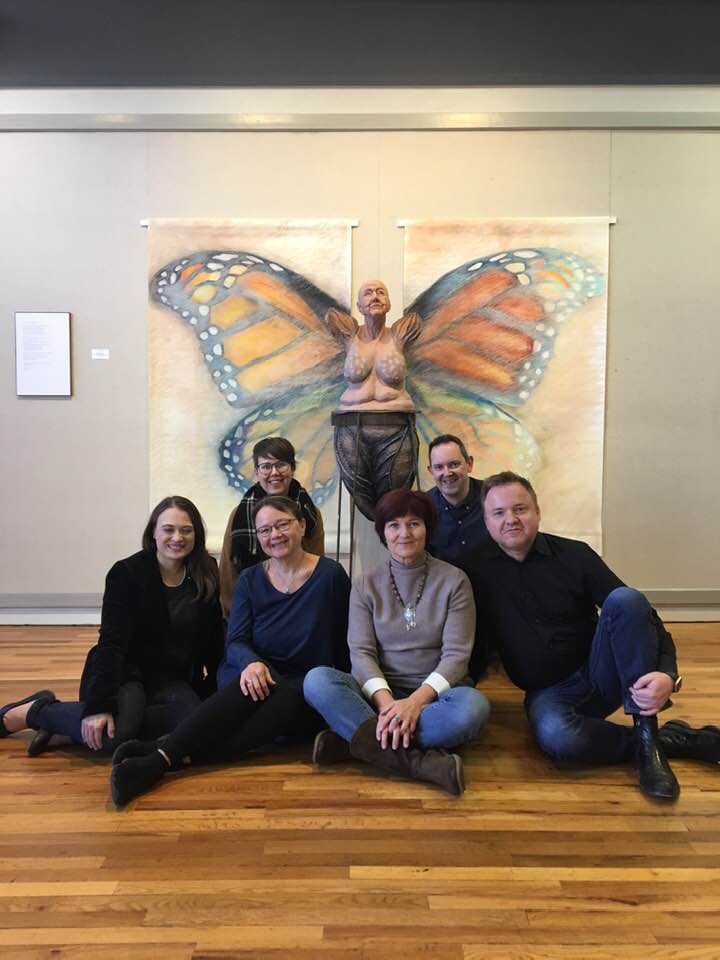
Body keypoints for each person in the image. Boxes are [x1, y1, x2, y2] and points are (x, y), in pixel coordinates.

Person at [461, 470, 720, 802]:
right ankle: (663, 740)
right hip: (548, 693)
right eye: (498, 513)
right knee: (558, 738)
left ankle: (647, 735)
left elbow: (642, 614)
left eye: (520, 509)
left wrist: (668, 674)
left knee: (625, 599)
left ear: (537, 511)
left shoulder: (575, 554)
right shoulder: (474, 572)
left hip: (601, 672)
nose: (510, 519)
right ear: (486, 521)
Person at [110, 496, 351, 806]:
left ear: (301, 526)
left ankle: (160, 757)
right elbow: (235, 641)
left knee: (288, 698)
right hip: (251, 675)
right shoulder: (251, 579)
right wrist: (251, 663)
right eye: (264, 530)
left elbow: (346, 641)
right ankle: (166, 755)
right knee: (249, 686)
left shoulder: (330, 576)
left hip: (301, 686)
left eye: (282, 525)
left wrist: (341, 694)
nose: (274, 535)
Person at [0, 496, 224, 756]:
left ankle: (65, 730)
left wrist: (216, 690)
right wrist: (98, 706)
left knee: (192, 724)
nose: (177, 537)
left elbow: (212, 641)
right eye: (168, 529)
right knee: (117, 734)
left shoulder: (205, 572)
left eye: (186, 530)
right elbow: (111, 643)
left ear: (196, 534)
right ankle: (35, 710)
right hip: (126, 673)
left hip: (172, 680)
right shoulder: (126, 573)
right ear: (153, 532)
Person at [303, 489, 490, 796]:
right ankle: (421, 763)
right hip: (380, 695)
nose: (404, 533)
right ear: (383, 532)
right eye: (394, 525)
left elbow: (457, 655)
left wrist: (416, 703)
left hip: (437, 697)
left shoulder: (455, 580)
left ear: (427, 528)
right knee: (317, 680)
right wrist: (389, 706)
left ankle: (355, 742)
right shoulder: (365, 583)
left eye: (414, 523)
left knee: (473, 709)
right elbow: (361, 652)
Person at [328, 281, 421, 519]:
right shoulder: (349, 335)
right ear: (359, 305)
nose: (375, 297)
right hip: (350, 427)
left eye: (381, 292)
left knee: (395, 504)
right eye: (368, 293)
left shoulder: (400, 335)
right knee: (364, 498)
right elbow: (329, 317)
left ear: (389, 303)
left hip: (397, 427)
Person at [218, 436, 324, 617]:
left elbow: (315, 565)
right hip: (251, 609)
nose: (274, 472)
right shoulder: (240, 514)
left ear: (292, 468)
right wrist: (233, 614)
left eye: (281, 464)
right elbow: (229, 571)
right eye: (266, 466)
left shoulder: (309, 513)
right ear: (257, 472)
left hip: (298, 607)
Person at [426, 434, 490, 564]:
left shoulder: (494, 497)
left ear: (469, 464)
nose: (447, 473)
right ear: (431, 471)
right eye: (439, 467)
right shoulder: (423, 507)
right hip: (446, 583)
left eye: (454, 464)